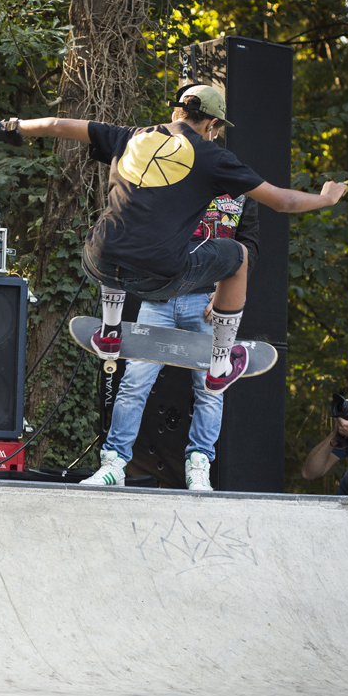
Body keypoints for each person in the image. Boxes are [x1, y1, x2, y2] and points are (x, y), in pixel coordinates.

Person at [0, 83, 348, 396]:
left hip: (96, 261)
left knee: (115, 227)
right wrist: (327, 198)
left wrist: (2, 126)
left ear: (175, 114)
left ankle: (111, 332)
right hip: (156, 277)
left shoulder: (129, 136)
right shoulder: (214, 157)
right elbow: (283, 201)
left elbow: (56, 123)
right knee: (238, 257)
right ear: (212, 125)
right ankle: (220, 364)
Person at [83, 194, 259, 490]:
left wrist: (225, 293)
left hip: (207, 302)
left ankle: (199, 466)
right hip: (160, 297)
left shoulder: (241, 191)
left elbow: (248, 247)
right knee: (134, 381)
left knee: (210, 387)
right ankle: (113, 464)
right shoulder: (176, 174)